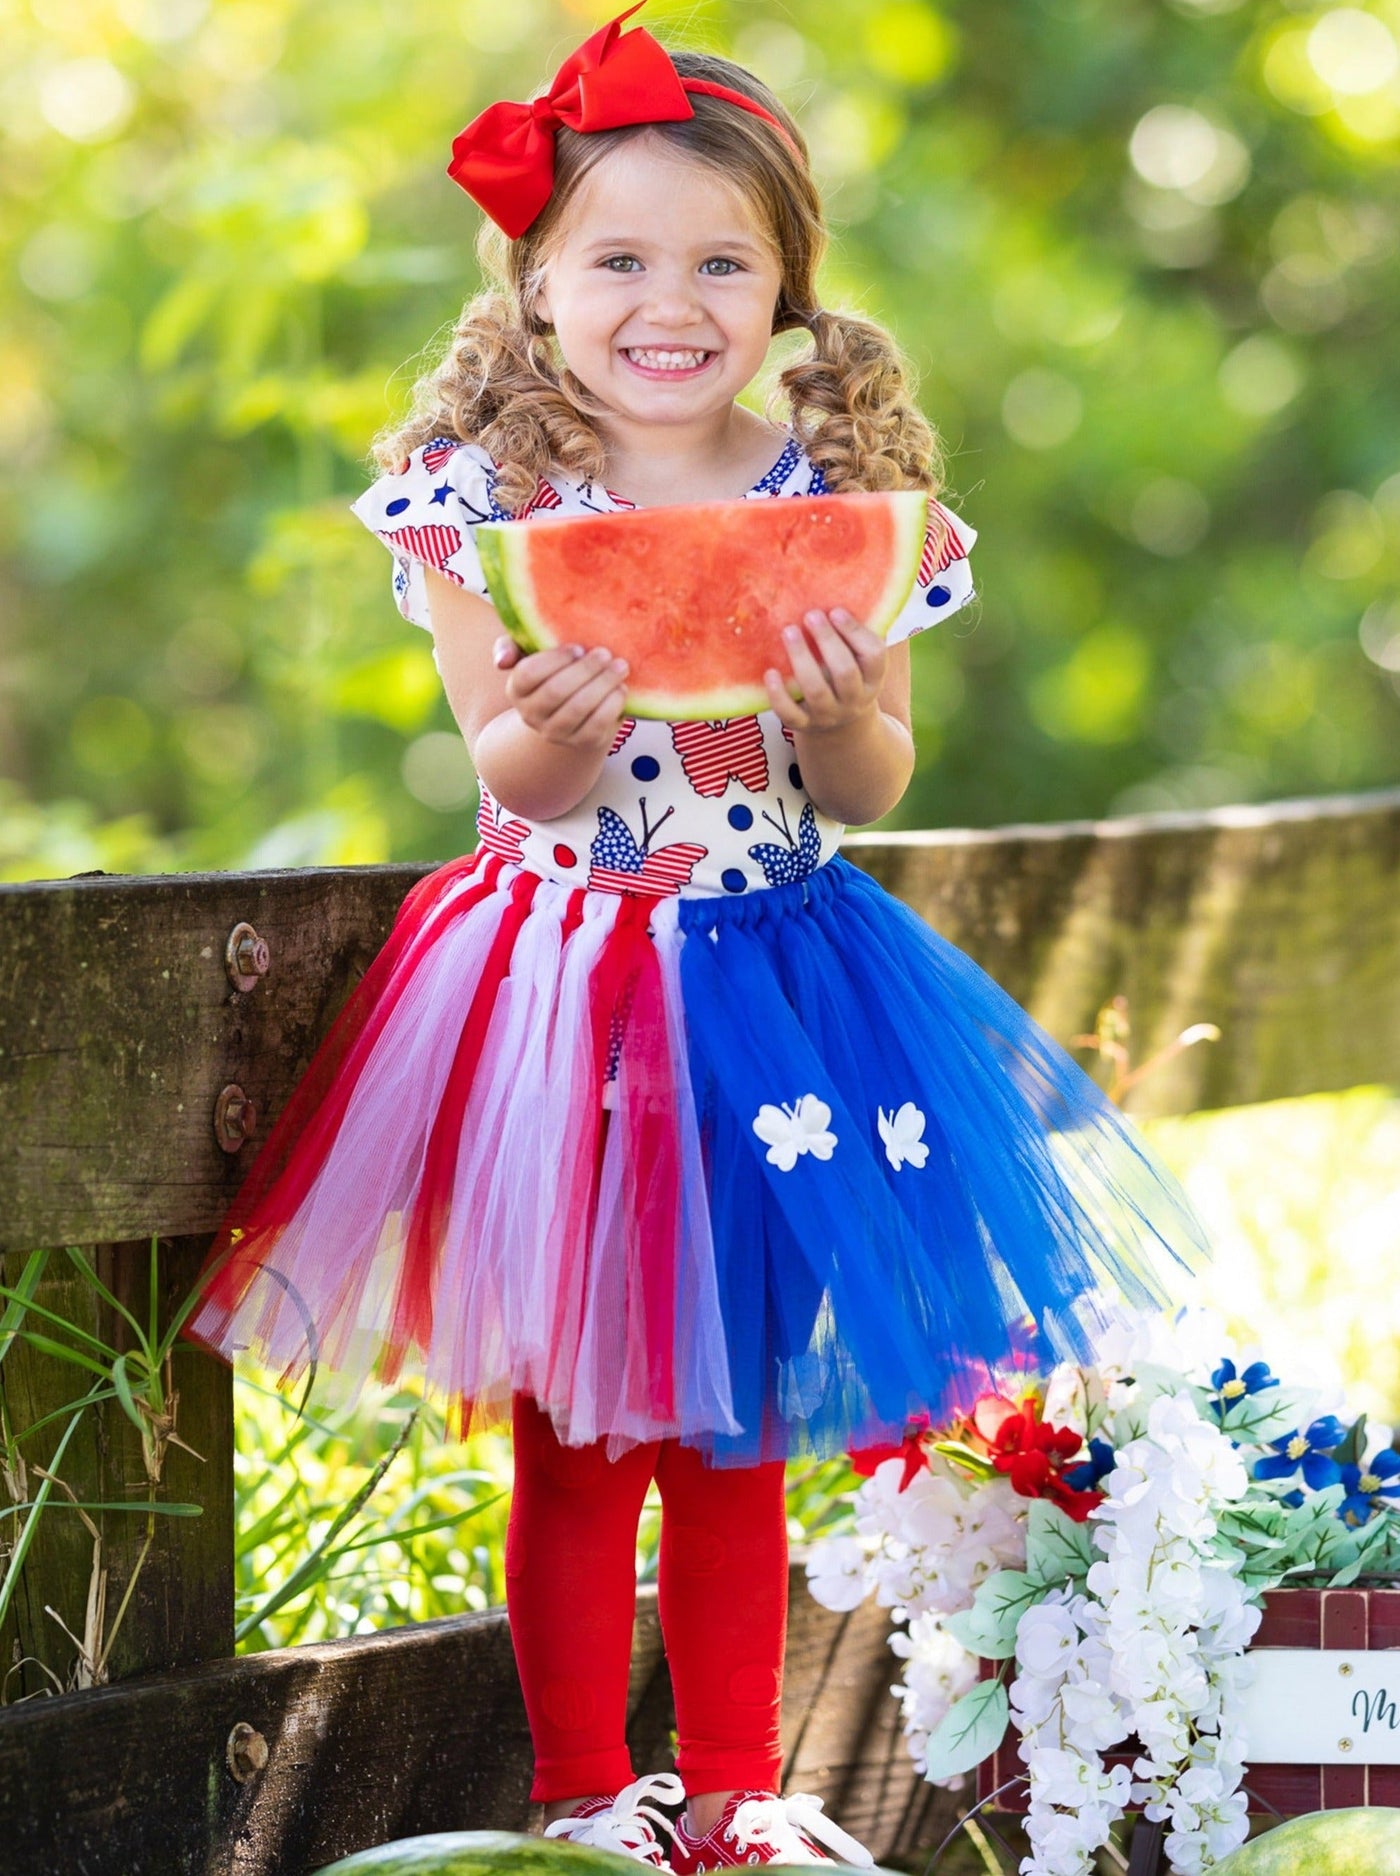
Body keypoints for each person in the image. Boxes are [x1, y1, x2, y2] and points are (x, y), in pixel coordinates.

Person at [182, 5, 1207, 1868]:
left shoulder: (840, 506)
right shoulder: (486, 503)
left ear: (789, 289)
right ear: (538, 287)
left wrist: (827, 707)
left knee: (740, 1427)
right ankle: (587, 1805)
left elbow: (874, 775)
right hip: (563, 994)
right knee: (576, 1444)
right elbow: (508, 763)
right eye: (622, 258)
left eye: (723, 260)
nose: (674, 300)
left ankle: (738, 1797)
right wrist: (551, 732)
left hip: (784, 988)